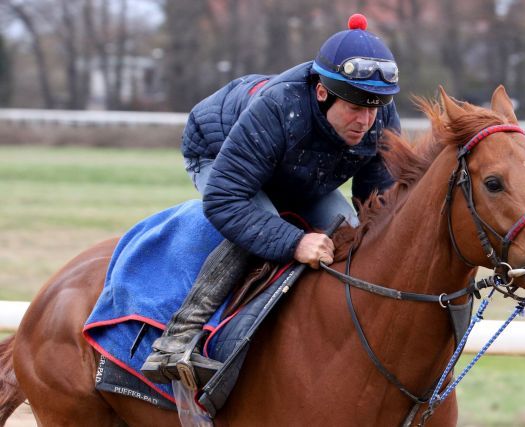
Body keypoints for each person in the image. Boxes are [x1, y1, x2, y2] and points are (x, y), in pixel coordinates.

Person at [141, 13, 401, 387]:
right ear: (322, 92)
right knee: (260, 230)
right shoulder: (279, 106)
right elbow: (226, 201)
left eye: (374, 107)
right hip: (218, 153)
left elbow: (375, 203)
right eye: (355, 108)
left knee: (351, 232)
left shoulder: (379, 115)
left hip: (297, 167)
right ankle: (175, 340)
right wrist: (294, 242)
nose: (366, 120)